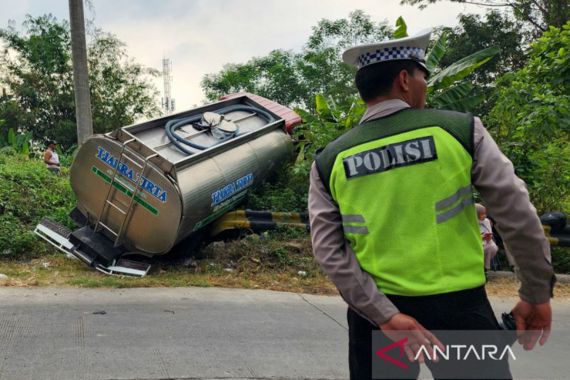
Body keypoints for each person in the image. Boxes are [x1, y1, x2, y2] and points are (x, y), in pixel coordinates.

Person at [308, 29, 555, 380]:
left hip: (379, 320)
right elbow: (516, 214)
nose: (426, 84)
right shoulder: (460, 131)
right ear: (405, 80)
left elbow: (329, 250)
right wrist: (535, 291)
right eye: (424, 76)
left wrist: (386, 317)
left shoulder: (329, 160)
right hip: (461, 313)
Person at [476, 203, 499, 272]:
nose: (484, 216)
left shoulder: (486, 221)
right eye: (482, 214)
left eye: (485, 213)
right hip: (477, 242)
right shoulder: (472, 222)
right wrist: (481, 237)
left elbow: (489, 232)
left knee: (492, 247)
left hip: (487, 241)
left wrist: (488, 236)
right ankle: (481, 267)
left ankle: (486, 267)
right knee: (485, 248)